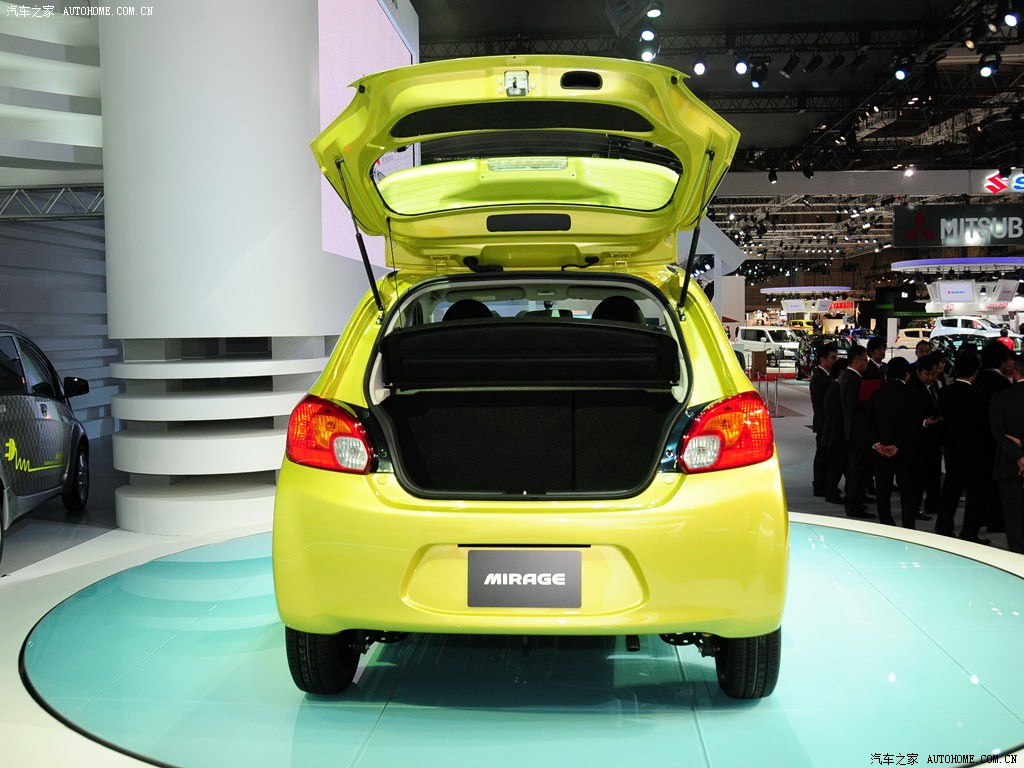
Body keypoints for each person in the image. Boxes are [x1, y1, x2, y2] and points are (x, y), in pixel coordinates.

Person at [936, 350, 988, 542]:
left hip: (952, 448)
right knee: (975, 494)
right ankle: (969, 532)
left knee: (950, 489)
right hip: (975, 451)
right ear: (975, 371)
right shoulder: (980, 395)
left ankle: (943, 527)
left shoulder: (944, 393)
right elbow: (984, 426)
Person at [867, 357, 916, 526]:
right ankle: (908, 526)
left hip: (881, 449)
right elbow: (913, 425)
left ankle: (886, 523)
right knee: (908, 491)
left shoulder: (877, 394)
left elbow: (868, 423)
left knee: (883, 490)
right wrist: (898, 445)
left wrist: (877, 444)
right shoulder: (912, 395)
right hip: (905, 450)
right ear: (907, 374)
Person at [901, 352, 945, 529]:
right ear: (918, 373)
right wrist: (924, 422)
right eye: (927, 374)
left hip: (934, 438)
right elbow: (906, 417)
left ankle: (931, 504)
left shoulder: (935, 386)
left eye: (934, 373)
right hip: (917, 440)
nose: (931, 377)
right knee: (917, 478)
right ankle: (915, 508)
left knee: (933, 473)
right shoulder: (911, 390)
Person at [989, 353, 1024, 555]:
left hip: (1008, 464)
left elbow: (998, 433)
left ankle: (1017, 558)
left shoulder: (1000, 398)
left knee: (1013, 515)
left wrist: (1018, 456)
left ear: (1014, 371)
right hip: (1013, 461)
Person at [840, 345, 874, 519]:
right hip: (857, 430)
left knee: (856, 468)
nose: (867, 363)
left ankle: (855, 501)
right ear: (857, 361)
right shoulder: (852, 379)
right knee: (856, 469)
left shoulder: (851, 377)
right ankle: (854, 505)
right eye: (865, 360)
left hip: (855, 429)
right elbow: (854, 405)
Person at [810, 343, 839, 497]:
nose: (835, 361)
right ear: (822, 359)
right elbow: (824, 403)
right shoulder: (819, 378)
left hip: (826, 421)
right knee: (822, 454)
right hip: (823, 422)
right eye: (832, 358)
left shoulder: (827, 376)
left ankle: (825, 483)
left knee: (827, 454)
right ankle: (819, 485)